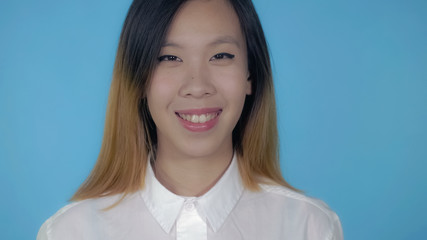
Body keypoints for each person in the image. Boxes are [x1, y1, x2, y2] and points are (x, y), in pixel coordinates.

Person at [37, 0, 343, 239]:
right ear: (139, 79)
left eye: (221, 56)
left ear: (250, 74)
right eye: (169, 58)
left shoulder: (310, 228)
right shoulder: (69, 233)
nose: (197, 87)